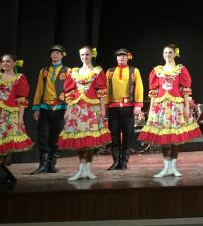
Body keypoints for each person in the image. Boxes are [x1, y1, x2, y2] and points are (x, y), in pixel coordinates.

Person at [138, 45, 201, 177]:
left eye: (170, 52)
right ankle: (166, 167)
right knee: (164, 137)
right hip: (161, 107)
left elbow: (185, 90)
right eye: (165, 52)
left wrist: (186, 107)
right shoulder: (157, 70)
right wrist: (151, 110)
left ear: (174, 54)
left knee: (175, 137)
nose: (168, 54)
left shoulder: (180, 69)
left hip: (176, 107)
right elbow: (154, 93)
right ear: (163, 54)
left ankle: (173, 167)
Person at [58, 46, 111, 181]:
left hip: (92, 109)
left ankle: (87, 169)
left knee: (90, 140)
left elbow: (102, 92)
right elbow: (70, 93)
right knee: (80, 140)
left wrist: (103, 108)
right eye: (82, 55)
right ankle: (81, 169)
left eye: (87, 54)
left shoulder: (97, 71)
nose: (84, 57)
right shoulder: (75, 72)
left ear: (91, 55)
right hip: (77, 110)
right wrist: (68, 109)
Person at [30, 45, 69, 174]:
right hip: (45, 108)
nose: (55, 55)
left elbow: (70, 91)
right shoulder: (44, 71)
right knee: (43, 136)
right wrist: (36, 108)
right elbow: (39, 90)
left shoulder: (68, 71)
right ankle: (43, 164)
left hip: (60, 108)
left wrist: (68, 108)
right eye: (53, 53)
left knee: (56, 137)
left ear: (62, 55)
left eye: (57, 53)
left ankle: (52, 164)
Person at [106, 49, 143, 170]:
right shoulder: (110, 72)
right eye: (119, 56)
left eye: (123, 56)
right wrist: (104, 106)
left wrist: (138, 105)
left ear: (128, 57)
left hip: (128, 107)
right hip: (113, 107)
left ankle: (125, 161)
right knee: (114, 135)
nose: (121, 58)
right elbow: (106, 90)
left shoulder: (134, 70)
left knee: (128, 134)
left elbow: (139, 88)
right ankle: (116, 161)